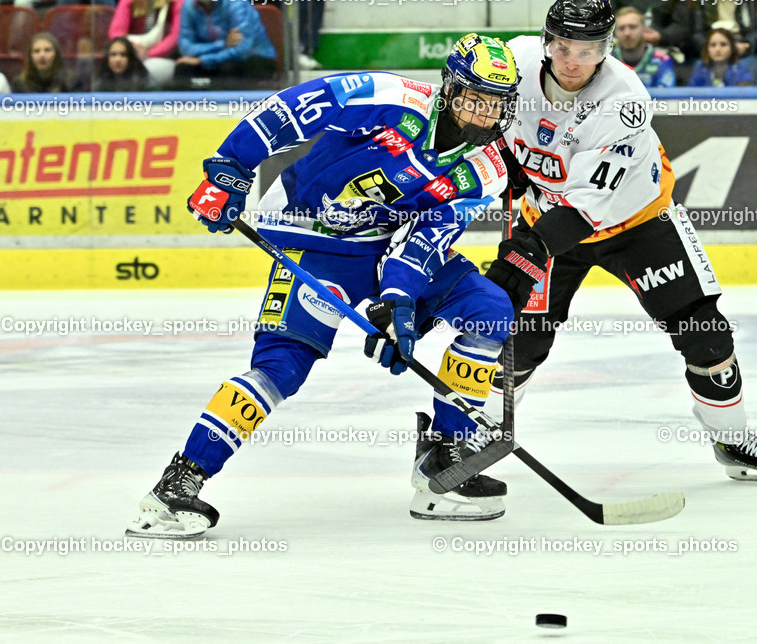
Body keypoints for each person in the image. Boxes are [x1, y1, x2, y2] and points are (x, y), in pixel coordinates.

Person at [126, 33, 522, 537]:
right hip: (310, 235)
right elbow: (294, 108)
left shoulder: (485, 169)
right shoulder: (392, 100)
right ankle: (177, 487)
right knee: (281, 367)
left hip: (388, 244)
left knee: (489, 308)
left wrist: (397, 302)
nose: (484, 114)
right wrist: (232, 167)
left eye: (496, 104)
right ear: (449, 89)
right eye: (474, 98)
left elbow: (428, 236)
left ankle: (446, 463)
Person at [484, 0, 757, 503]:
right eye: (563, 46)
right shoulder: (514, 63)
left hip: (633, 221)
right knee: (521, 341)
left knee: (704, 330)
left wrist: (526, 253)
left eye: (588, 50)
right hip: (546, 214)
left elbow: (590, 205)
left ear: (607, 48)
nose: (573, 61)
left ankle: (733, 439)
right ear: (547, 40)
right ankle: (469, 439)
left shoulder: (625, 100)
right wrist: (503, 155)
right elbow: (473, 114)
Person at [174, 0, 277, 89]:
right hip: (219, 59)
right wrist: (223, 44)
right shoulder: (189, 5)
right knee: (184, 68)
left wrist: (202, 60)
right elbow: (185, 47)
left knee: (229, 69)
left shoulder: (236, 3)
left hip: (253, 58)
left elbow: (242, 50)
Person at [109, 0, 189, 86]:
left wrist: (148, 53)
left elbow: (176, 36)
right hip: (134, 55)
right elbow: (116, 32)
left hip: (166, 58)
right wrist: (132, 49)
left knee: (147, 70)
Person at [613, 6, 677, 87]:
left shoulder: (662, 59)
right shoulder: (605, 61)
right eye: (621, 28)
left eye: (632, 27)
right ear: (615, 32)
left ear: (644, 29)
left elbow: (666, 96)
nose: (627, 33)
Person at [11, 33, 80, 93]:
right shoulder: (20, 84)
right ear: (30, 56)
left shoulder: (70, 81)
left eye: (47, 50)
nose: (42, 55)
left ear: (56, 54)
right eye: (36, 51)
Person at [688, 27, 755, 85]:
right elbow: (691, 93)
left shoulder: (739, 70)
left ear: (731, 48)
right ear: (707, 48)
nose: (718, 49)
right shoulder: (701, 70)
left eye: (723, 44)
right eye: (713, 45)